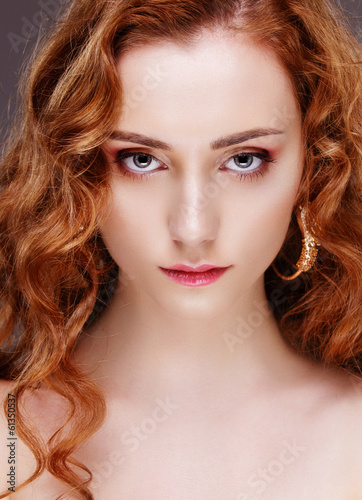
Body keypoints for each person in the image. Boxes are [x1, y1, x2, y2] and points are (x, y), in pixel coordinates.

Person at [0, 0, 361, 498]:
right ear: (77, 170)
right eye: (142, 160)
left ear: (315, 167)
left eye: (244, 159)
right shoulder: (10, 443)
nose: (193, 228)